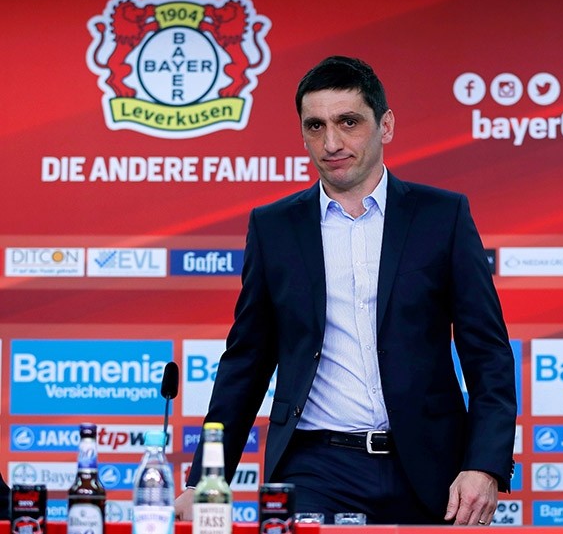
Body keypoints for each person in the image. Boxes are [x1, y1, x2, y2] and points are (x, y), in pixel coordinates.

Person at [174, 56, 517, 525]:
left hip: (430, 467)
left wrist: (484, 465)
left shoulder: (443, 217)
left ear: (386, 125)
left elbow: (488, 353)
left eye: (348, 122)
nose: (331, 143)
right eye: (315, 126)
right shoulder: (274, 227)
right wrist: (203, 482)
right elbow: (246, 362)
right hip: (316, 465)